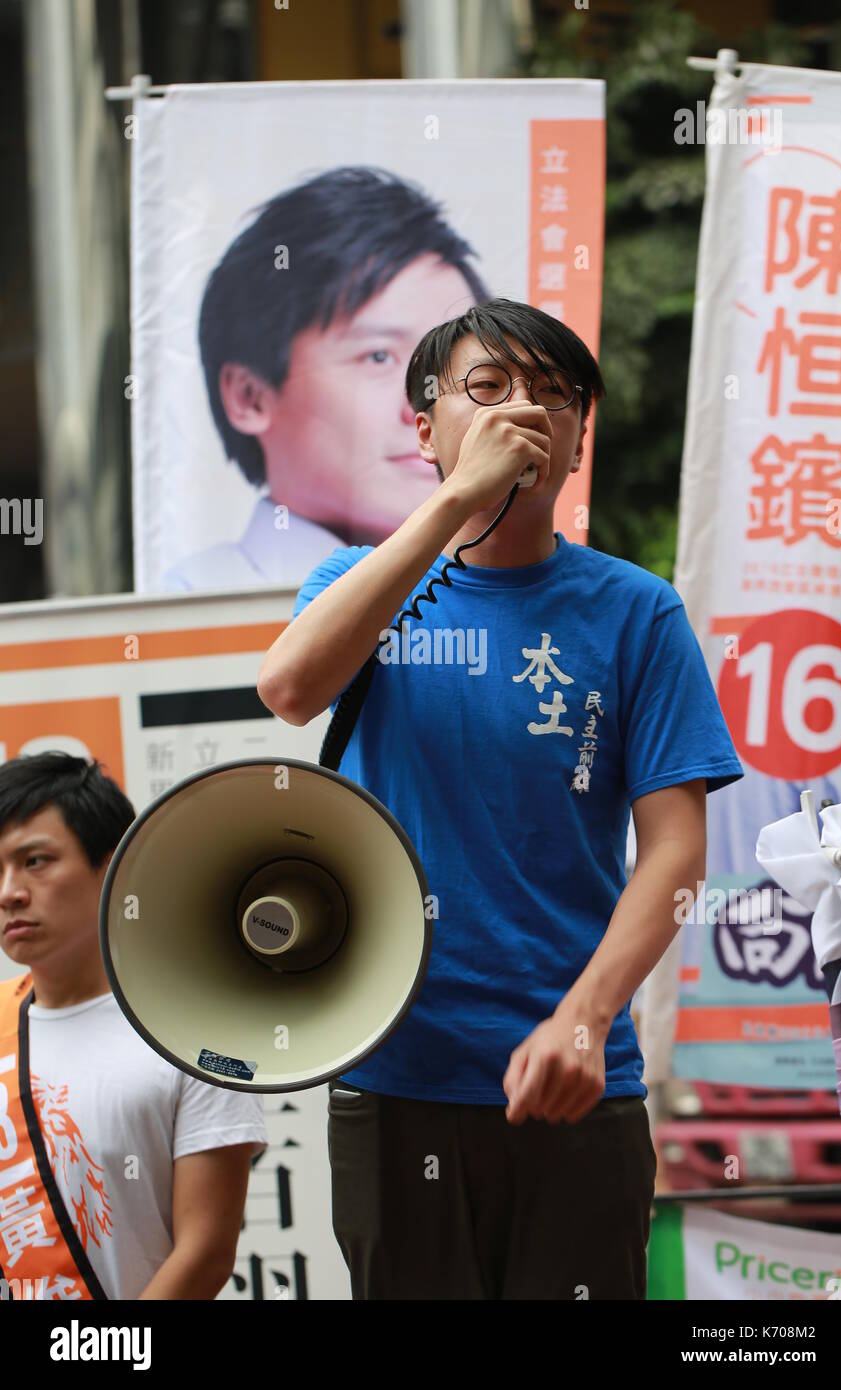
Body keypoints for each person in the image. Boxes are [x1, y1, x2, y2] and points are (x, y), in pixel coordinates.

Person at [256, 297, 745, 1300]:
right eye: (486, 389)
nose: (522, 409)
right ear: (426, 429)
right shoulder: (358, 582)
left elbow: (672, 853)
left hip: (574, 1075)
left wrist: (584, 1017)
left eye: (553, 393)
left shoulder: (635, 610)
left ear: (578, 442)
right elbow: (289, 687)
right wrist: (451, 507)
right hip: (391, 1069)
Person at [0, 753, 268, 1301]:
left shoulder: (197, 1032)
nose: (9, 892)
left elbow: (205, 1252)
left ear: (113, 868)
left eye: (35, 861)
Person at [161, 166, 491, 592]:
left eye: (452, 361)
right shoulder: (193, 606)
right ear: (250, 396)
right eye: (377, 356)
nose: (428, 400)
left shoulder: (500, 590)